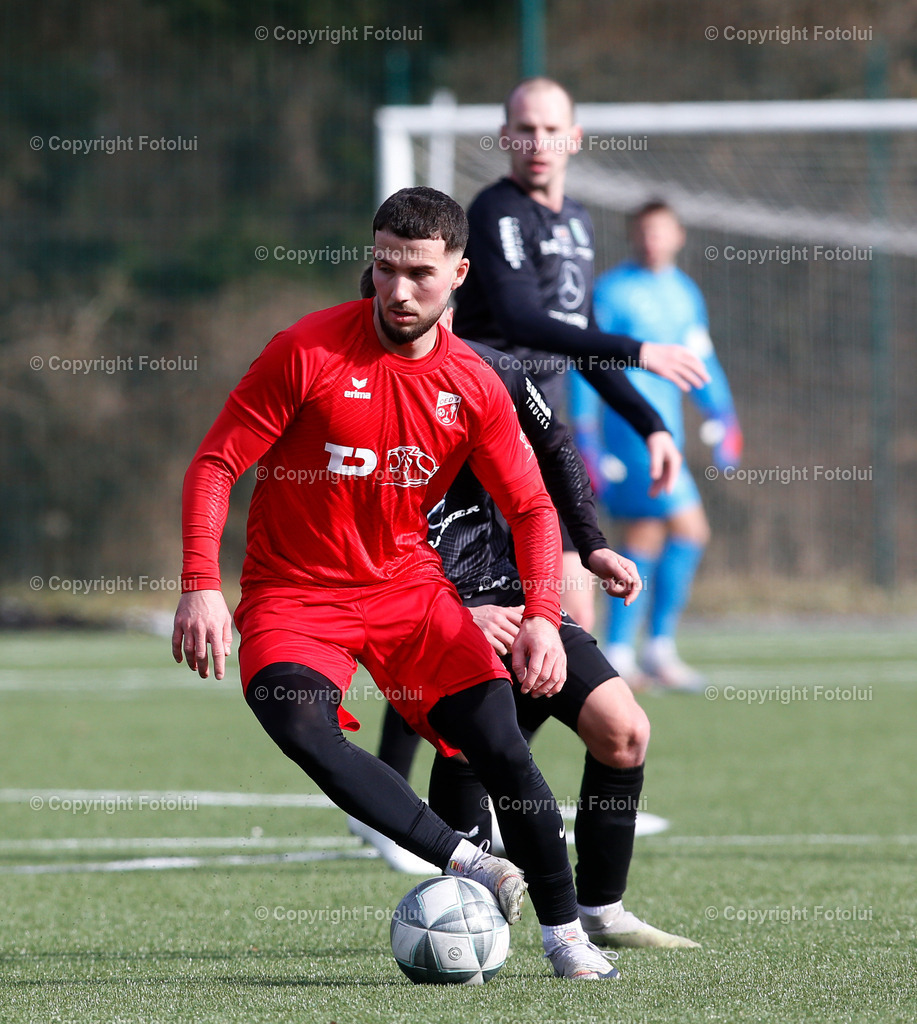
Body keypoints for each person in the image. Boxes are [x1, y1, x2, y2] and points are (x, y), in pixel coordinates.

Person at [172, 186, 620, 981]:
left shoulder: (473, 383)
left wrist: (541, 616)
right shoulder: (305, 351)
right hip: (292, 593)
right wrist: (201, 582)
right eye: (385, 268)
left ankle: (567, 939)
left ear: (458, 274)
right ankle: (468, 861)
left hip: (407, 589)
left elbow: (530, 507)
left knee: (500, 745)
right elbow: (215, 464)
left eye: (419, 272)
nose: (398, 289)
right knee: (298, 723)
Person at [355, 277, 697, 948]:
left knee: (624, 730)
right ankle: (472, 911)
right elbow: (352, 545)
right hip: (427, 610)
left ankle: (600, 911)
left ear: (451, 303)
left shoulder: (493, 372)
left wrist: (591, 547)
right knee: (472, 747)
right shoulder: (349, 400)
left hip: (513, 592)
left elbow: (557, 447)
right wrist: (451, 612)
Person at [453, 76, 711, 633]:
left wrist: (651, 423)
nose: (538, 142)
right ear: (505, 135)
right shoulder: (496, 211)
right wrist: (639, 351)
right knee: (503, 630)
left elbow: (582, 337)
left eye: (551, 129)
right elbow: (521, 319)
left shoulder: (577, 219)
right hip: (488, 435)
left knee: (572, 621)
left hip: (546, 436)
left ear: (573, 137)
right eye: (525, 129)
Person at [569, 200, 742, 690]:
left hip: (667, 433)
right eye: (644, 230)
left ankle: (636, 650)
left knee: (655, 533)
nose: (652, 240)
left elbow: (699, 357)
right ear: (632, 234)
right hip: (629, 432)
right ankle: (639, 648)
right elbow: (587, 360)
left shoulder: (684, 292)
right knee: (679, 529)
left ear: (678, 236)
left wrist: (722, 412)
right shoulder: (613, 291)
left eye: (660, 231)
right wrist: (586, 433)